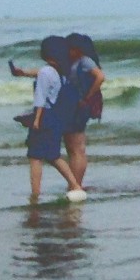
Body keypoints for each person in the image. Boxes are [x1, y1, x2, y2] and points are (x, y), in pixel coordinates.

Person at [9, 36, 81, 200]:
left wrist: (36, 120)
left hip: (44, 115)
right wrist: (23, 73)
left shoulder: (45, 72)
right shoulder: (60, 71)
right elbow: (42, 74)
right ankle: (75, 184)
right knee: (53, 155)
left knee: (35, 157)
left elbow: (40, 98)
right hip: (55, 117)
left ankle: (35, 193)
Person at [61, 34, 105, 187]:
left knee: (77, 148)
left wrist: (87, 97)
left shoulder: (85, 61)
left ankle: (76, 184)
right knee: (72, 148)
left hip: (80, 107)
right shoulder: (74, 61)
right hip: (73, 105)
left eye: (70, 48)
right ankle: (74, 183)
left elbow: (100, 77)